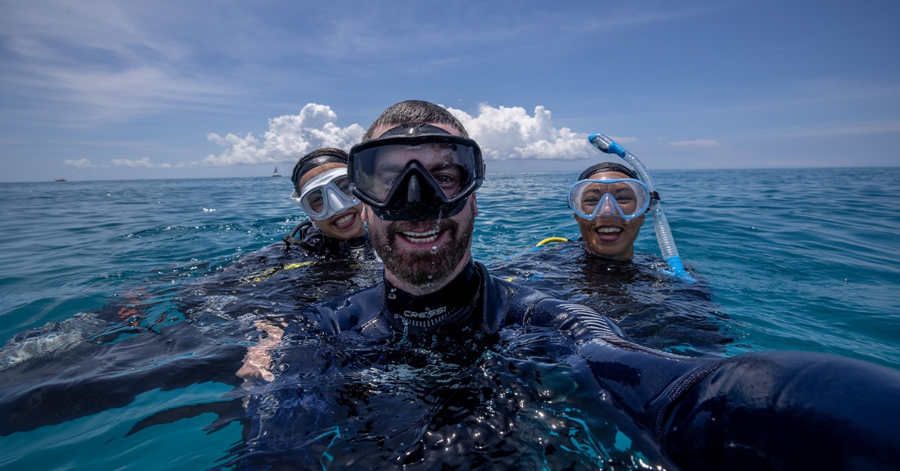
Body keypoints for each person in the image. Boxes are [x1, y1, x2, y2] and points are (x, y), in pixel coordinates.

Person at [235, 100, 900, 469]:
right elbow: (276, 448)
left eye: (445, 173)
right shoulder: (316, 331)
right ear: (365, 197)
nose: (418, 200)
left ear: (475, 193)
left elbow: (678, 394)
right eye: (390, 177)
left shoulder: (548, 321)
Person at [569, 161, 648, 260]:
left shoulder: (658, 267)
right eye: (592, 200)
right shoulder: (552, 263)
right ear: (577, 216)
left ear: (641, 216)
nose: (607, 212)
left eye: (623, 198)